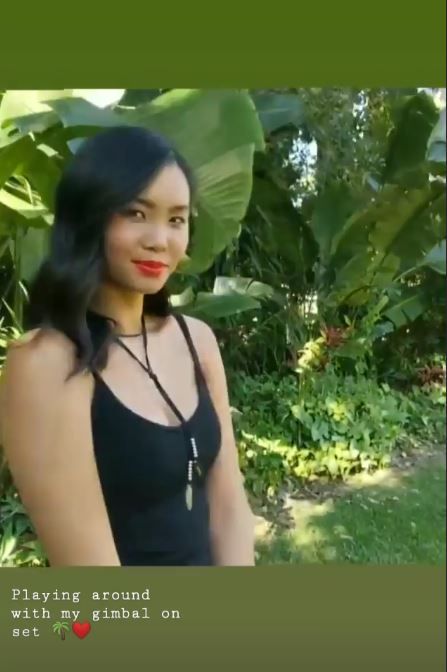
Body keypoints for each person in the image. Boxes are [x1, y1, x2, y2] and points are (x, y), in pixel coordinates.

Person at [0, 126, 255, 567]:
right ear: (90, 215)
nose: (160, 239)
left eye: (176, 220)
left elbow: (230, 505)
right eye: (136, 213)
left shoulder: (196, 341)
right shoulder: (48, 362)